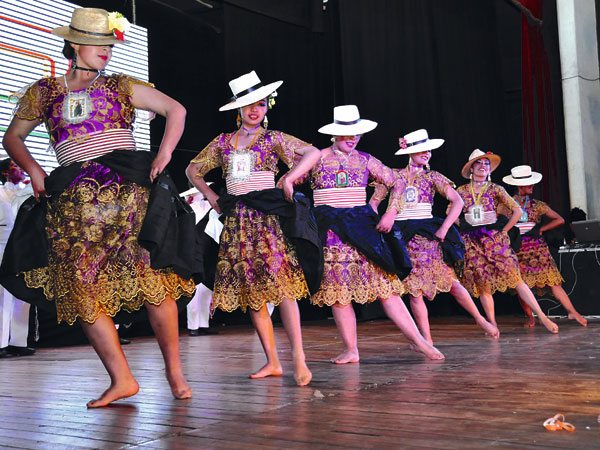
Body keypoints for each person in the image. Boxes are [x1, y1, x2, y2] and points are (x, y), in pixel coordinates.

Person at [0, 8, 196, 407]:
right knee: (81, 287)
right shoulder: (45, 92)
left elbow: (176, 110)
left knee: (153, 279)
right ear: (74, 44)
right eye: (96, 44)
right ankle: (121, 378)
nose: (106, 51)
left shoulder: (121, 85)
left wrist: (164, 154)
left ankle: (174, 371)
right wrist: (35, 171)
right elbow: (13, 137)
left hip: (128, 194)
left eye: (109, 44)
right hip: (74, 204)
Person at [186, 70, 321, 386]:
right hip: (238, 222)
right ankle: (272, 361)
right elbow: (192, 170)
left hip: (267, 219)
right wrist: (211, 196)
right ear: (238, 108)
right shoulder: (222, 143)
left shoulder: (273, 139)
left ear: (267, 106)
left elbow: (312, 152)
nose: (254, 110)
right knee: (254, 291)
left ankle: (298, 358)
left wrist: (289, 177)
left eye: (260, 103)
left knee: (283, 288)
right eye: (248, 104)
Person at [305, 106, 444, 363]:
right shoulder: (318, 157)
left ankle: (420, 342)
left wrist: (389, 212)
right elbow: (290, 179)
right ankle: (351, 349)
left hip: (361, 229)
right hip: (330, 232)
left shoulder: (365, 159)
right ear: (335, 133)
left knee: (386, 288)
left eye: (356, 134)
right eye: (347, 133)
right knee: (339, 293)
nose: (352, 138)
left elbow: (396, 182)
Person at [371, 130, 499, 344]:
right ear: (410, 152)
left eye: (429, 150)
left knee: (451, 282)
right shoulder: (393, 175)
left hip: (426, 235)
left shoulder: (433, 177)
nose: (427, 153)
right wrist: (381, 221)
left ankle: (480, 319)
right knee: (414, 291)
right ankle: (427, 339)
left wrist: (445, 228)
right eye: (422, 150)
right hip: (401, 236)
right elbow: (374, 203)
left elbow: (458, 201)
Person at [455, 150, 559, 334]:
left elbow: (517, 211)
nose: (483, 166)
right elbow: (451, 212)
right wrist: (465, 225)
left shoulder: (495, 189)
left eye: (486, 163)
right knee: (483, 283)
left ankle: (542, 317)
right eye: (478, 163)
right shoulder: (461, 191)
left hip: (494, 239)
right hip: (472, 242)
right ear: (471, 168)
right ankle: (492, 324)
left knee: (516, 278)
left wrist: (503, 231)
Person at [502, 165, 587, 327]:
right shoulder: (507, 205)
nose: (532, 187)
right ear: (519, 186)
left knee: (553, 281)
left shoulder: (538, 205)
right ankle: (531, 317)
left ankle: (572, 312)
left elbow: (560, 219)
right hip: (517, 247)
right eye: (529, 184)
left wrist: (541, 229)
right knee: (522, 284)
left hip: (537, 248)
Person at [0, 159, 35, 358]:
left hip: (23, 248)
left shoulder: (27, 191)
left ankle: (19, 342)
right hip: (2, 247)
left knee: (23, 295)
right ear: (5, 172)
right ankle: (1, 344)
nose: (21, 169)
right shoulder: (0, 193)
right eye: (15, 166)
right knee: (4, 296)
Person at [181, 186, 220, 336]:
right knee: (195, 289)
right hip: (192, 251)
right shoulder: (186, 209)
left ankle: (203, 324)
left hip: (207, 250)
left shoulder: (208, 208)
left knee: (206, 288)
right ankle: (193, 326)